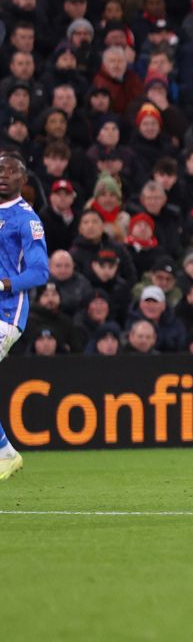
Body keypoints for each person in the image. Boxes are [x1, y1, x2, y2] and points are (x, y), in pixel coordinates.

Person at [0, 152, 51, 480]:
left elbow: (40, 271)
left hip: (6, 312)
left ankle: (5, 452)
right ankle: (5, 451)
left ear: (24, 179)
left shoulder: (26, 219)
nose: (2, 174)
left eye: (10, 169)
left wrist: (5, 283)